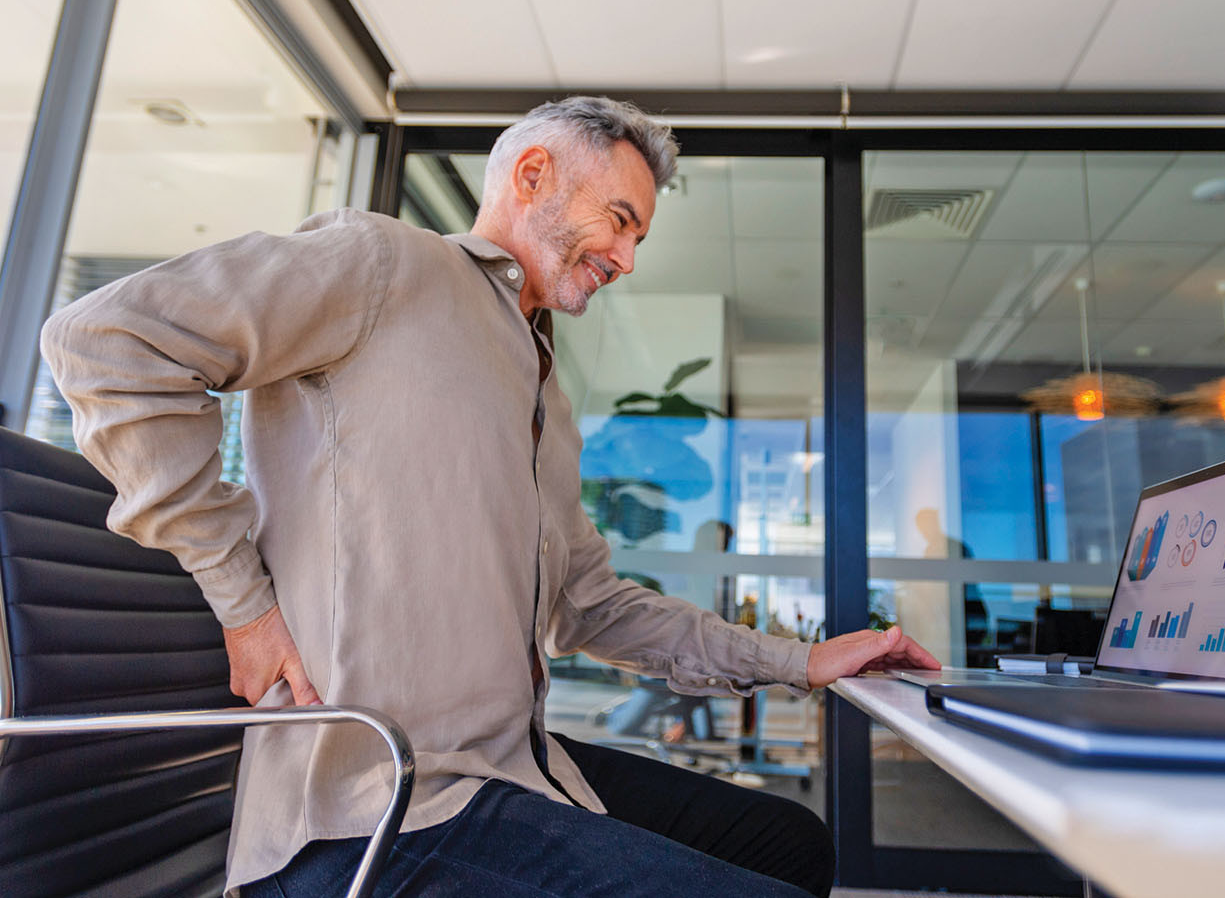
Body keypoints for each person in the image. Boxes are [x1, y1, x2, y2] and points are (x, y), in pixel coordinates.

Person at [40, 96, 939, 898]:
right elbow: (105, 342)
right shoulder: (381, 263)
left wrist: (800, 662)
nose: (627, 257)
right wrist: (242, 603)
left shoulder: (542, 387)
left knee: (789, 843)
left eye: (639, 239)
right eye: (619, 221)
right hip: (377, 809)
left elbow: (594, 605)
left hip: (511, 771)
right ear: (533, 174)